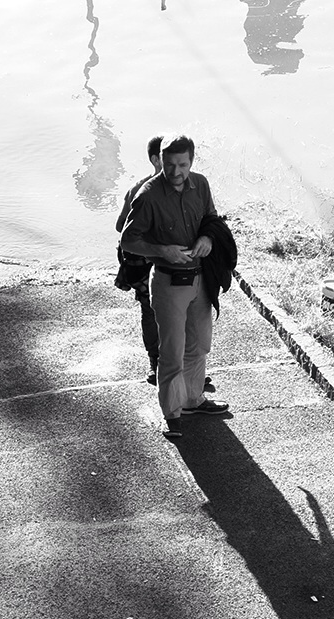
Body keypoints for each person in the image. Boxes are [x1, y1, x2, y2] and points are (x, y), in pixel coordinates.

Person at [120, 134, 229, 440]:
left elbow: (211, 218)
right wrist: (161, 250)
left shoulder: (202, 184)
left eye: (182, 164)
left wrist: (207, 238)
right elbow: (127, 239)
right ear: (160, 161)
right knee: (172, 351)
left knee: (198, 345)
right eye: (170, 165)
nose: (176, 172)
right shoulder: (147, 194)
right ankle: (173, 414)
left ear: (191, 161)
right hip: (168, 281)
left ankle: (194, 400)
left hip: (200, 279)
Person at [116, 136, 163, 384]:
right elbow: (121, 228)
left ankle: (178, 364)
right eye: (169, 158)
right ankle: (155, 363)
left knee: (174, 312)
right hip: (144, 264)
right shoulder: (139, 190)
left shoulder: (187, 187)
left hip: (166, 261)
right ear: (155, 160)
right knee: (151, 311)